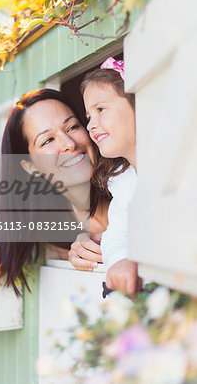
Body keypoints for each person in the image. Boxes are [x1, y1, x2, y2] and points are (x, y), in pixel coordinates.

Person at [0, 88, 122, 295]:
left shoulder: (129, 184)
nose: (69, 144)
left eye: (72, 127)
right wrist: (77, 251)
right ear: (30, 167)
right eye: (47, 140)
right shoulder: (55, 236)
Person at [69, 57, 141, 295]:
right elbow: (116, 235)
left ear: (139, 103)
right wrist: (120, 260)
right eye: (89, 117)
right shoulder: (123, 184)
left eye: (100, 109)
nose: (90, 126)